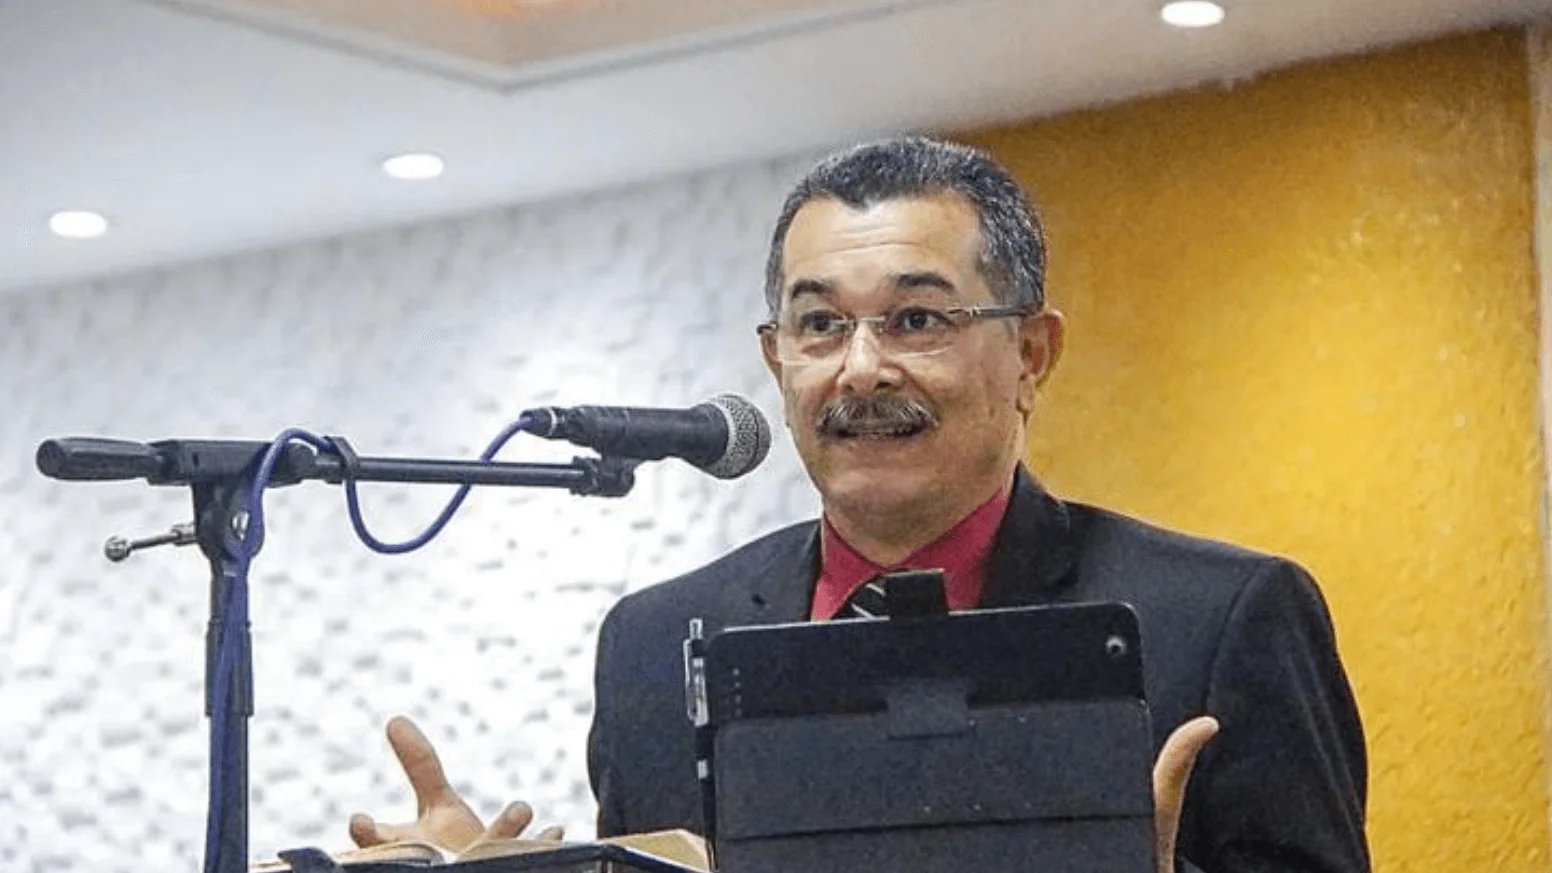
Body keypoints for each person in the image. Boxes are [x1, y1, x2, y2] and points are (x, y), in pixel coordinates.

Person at [349, 136, 1369, 873]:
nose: (861, 369)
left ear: (1030, 353)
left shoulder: (1219, 618)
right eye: (821, 326)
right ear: (774, 359)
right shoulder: (656, 642)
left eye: (916, 318)